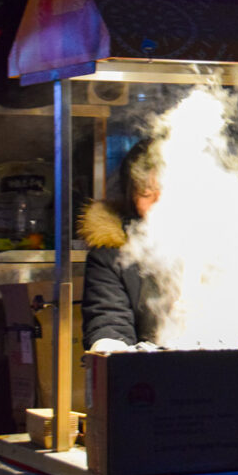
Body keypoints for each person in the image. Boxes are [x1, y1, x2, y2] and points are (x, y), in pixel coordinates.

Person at [79, 138, 161, 351]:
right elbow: (108, 320)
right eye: (146, 193)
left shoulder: (235, 240)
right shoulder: (112, 254)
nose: (158, 201)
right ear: (130, 196)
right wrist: (110, 345)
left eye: (167, 188)